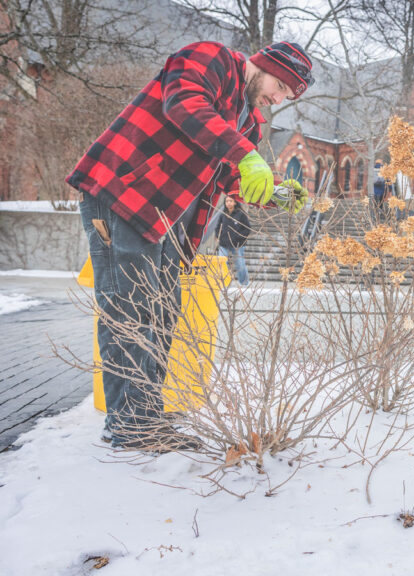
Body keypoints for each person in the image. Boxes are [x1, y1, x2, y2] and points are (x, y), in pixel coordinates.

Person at [67, 41, 314, 452]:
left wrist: (272, 192)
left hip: (167, 221)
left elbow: (231, 179)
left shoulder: (248, 122)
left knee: (162, 314)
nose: (279, 98)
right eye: (283, 85)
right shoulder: (210, 58)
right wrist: (246, 152)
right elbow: (183, 103)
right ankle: (128, 426)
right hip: (123, 194)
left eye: (288, 95)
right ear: (266, 65)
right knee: (129, 310)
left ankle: (144, 415)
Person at [211, 196, 252, 286]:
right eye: (227, 201)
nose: (228, 203)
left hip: (238, 244)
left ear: (235, 202)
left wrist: (239, 237)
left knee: (240, 264)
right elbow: (218, 227)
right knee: (221, 262)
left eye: (230, 201)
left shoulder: (241, 214)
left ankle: (244, 283)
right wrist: (218, 236)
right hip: (223, 243)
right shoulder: (223, 214)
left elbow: (247, 229)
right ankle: (221, 282)